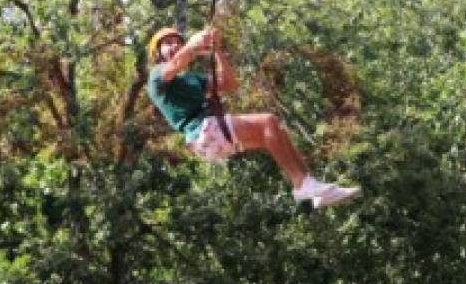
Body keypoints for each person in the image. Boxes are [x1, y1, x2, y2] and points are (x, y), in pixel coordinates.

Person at [145, 26, 359, 208]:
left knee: (273, 132)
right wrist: (191, 45)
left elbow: (228, 84)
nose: (174, 46)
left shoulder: (191, 78)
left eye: (177, 42)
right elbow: (174, 66)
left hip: (209, 136)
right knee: (267, 121)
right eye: (167, 43)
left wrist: (217, 51)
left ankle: (311, 187)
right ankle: (301, 185)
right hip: (201, 132)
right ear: (157, 52)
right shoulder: (157, 75)